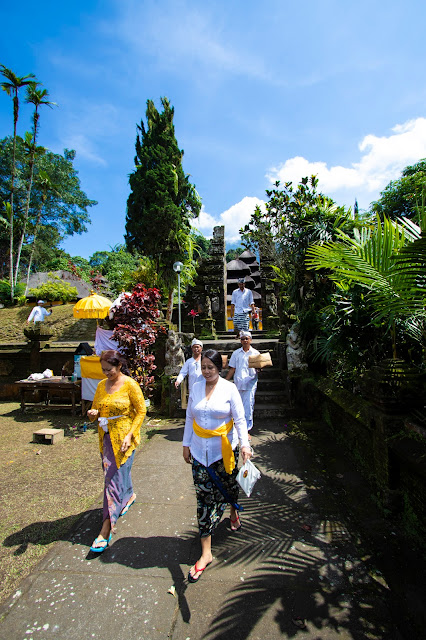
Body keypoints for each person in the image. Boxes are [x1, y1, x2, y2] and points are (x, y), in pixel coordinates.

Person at [183, 349, 252, 583]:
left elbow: (240, 419)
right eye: (203, 367)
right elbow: (190, 418)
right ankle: (206, 552)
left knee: (229, 487)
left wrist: (244, 445)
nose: (206, 371)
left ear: (219, 368)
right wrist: (185, 445)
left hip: (224, 451)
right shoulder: (195, 387)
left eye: (210, 367)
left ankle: (233, 510)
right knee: (203, 499)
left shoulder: (229, 389)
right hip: (199, 450)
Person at [87, 350, 146, 553]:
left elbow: (141, 411)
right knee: (117, 474)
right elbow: (95, 410)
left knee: (111, 480)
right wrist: (92, 413)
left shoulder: (130, 384)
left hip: (124, 438)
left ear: (119, 366)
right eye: (103, 370)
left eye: (109, 369)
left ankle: (106, 528)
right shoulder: (101, 385)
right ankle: (128, 496)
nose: (106, 373)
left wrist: (130, 434)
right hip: (105, 439)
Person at [226, 331, 260, 440]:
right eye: (243, 339)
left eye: (247, 338)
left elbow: (260, 367)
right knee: (236, 407)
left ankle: (246, 431)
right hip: (238, 383)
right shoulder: (236, 353)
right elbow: (232, 369)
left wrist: (260, 368)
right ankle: (236, 429)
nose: (245, 341)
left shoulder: (255, 353)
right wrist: (226, 381)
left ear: (250, 340)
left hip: (250, 383)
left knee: (248, 407)